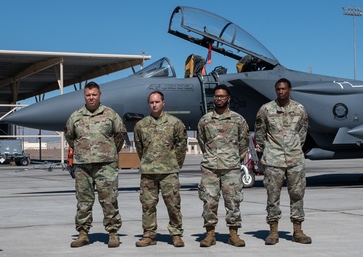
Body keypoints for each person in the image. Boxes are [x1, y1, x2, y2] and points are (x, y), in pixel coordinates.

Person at [64, 81, 127, 248]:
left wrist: (109, 152)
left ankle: (113, 233)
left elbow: (120, 134)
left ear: (100, 95)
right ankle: (83, 234)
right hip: (83, 166)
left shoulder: (110, 114)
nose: (91, 97)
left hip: (106, 165)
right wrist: (82, 151)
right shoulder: (76, 116)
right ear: (84, 96)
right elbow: (70, 137)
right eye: (88, 95)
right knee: (83, 201)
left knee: (109, 200)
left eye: (94, 94)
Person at [254, 78, 312, 245]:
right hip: (273, 160)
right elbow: (260, 133)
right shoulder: (266, 109)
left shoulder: (299, 109)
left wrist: (293, 149)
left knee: (297, 195)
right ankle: (273, 231)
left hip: (295, 160)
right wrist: (271, 151)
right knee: (273, 196)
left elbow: (302, 132)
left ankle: (297, 231)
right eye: (278, 89)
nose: (280, 92)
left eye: (283, 89)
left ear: (290, 90)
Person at [196, 85, 250, 247]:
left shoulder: (238, 120)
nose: (219, 99)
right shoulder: (205, 120)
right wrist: (212, 157)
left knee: (233, 201)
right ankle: (210, 234)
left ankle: (233, 234)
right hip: (210, 168)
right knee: (209, 201)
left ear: (229, 98)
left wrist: (233, 158)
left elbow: (244, 142)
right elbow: (202, 141)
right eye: (216, 96)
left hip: (231, 168)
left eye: (222, 96)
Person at [133, 91, 187, 247]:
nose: (154, 105)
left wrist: (174, 164)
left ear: (163, 102)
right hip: (148, 172)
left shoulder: (175, 123)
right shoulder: (141, 125)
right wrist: (148, 162)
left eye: (157, 102)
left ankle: (176, 234)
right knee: (148, 205)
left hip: (168, 172)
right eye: (151, 102)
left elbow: (181, 146)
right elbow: (139, 147)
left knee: (173, 204)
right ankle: (149, 235)